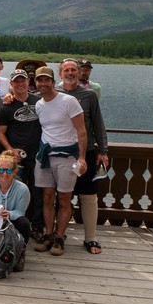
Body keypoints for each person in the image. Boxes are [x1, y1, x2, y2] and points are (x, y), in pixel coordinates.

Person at [32, 65, 87, 257]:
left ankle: (60, 236)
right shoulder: (39, 105)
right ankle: (48, 234)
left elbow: (81, 130)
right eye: (40, 80)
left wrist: (82, 157)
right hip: (45, 156)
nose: (43, 83)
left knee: (64, 198)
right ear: (36, 83)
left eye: (47, 80)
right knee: (47, 196)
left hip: (67, 156)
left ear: (53, 82)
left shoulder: (69, 101)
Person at [58, 58, 109, 256]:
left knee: (88, 196)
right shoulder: (53, 93)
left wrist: (103, 151)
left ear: (79, 73)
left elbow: (98, 124)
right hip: (61, 154)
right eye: (66, 70)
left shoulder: (89, 95)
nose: (70, 73)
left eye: (73, 70)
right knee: (61, 197)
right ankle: (58, 235)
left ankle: (90, 237)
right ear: (60, 74)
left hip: (85, 153)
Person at [0, 68, 43, 232]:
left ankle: (37, 227)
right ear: (11, 84)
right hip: (17, 159)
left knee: (38, 193)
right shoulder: (6, 107)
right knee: (14, 193)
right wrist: (11, 150)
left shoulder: (39, 102)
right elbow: (0, 133)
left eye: (22, 80)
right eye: (16, 81)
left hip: (38, 156)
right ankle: (14, 226)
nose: (20, 84)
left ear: (28, 82)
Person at [0, 150, 32, 243]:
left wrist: (9, 214)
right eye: (1, 169)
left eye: (9, 170)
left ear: (15, 171)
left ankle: (21, 247)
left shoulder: (23, 189)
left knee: (24, 223)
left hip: (13, 221)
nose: (4, 173)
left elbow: (20, 212)